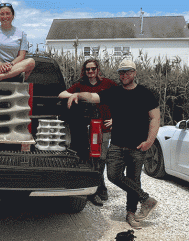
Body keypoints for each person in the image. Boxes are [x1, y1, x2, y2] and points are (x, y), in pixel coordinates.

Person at [67, 59, 160, 229]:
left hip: (138, 146)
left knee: (134, 179)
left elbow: (155, 117)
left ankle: (131, 214)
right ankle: (146, 199)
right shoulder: (114, 92)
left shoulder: (145, 93)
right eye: (121, 72)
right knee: (112, 175)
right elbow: (93, 96)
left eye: (128, 72)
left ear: (135, 73)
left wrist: (150, 141)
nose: (124, 75)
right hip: (117, 144)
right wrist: (77, 94)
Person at [59, 59, 117, 206]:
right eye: (87, 69)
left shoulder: (108, 84)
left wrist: (117, 119)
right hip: (85, 129)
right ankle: (94, 190)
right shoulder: (80, 85)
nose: (90, 72)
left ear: (98, 70)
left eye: (93, 69)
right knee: (87, 158)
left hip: (103, 128)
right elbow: (61, 94)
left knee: (101, 159)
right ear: (84, 71)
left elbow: (123, 99)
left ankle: (98, 188)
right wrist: (74, 94)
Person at [0, 3, 35, 82]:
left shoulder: (21, 34)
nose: (5, 17)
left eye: (8, 14)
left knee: (31, 62)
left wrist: (11, 64)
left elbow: (21, 56)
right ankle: (12, 76)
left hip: (14, 66)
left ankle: (1, 77)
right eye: (2, 14)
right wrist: (1, 64)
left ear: (13, 15)